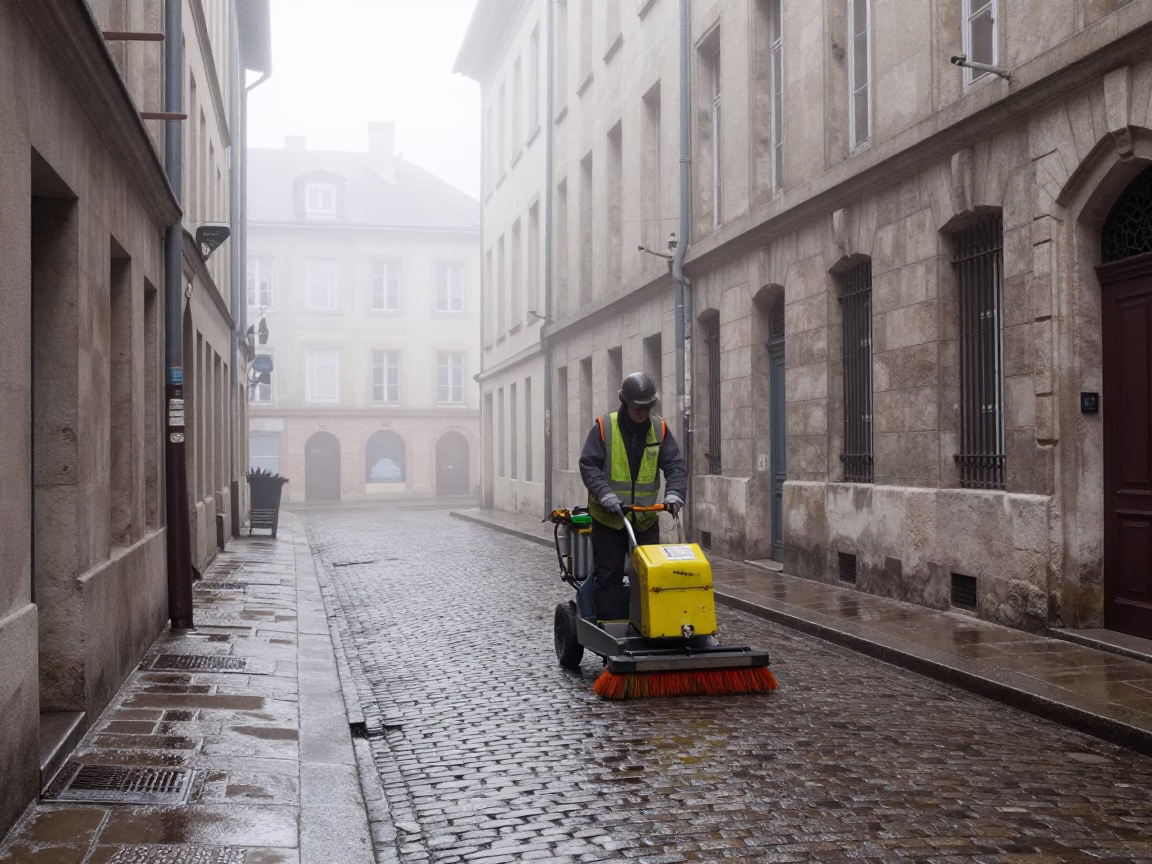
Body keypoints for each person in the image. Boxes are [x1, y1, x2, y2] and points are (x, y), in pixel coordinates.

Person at [579, 372, 688, 618]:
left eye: (646, 408)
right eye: (637, 408)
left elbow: (675, 466)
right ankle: (610, 631)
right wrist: (604, 493)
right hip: (610, 517)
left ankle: (651, 624)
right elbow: (589, 464)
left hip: (644, 517)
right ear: (625, 402)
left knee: (650, 572)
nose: (641, 413)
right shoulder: (604, 427)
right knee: (610, 574)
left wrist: (674, 493)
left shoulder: (659, 428)